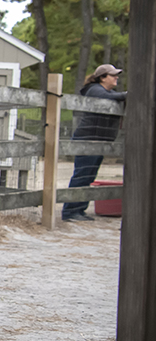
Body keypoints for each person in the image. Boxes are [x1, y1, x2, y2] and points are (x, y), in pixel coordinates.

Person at [63, 63, 127, 222]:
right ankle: (70, 212)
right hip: (88, 139)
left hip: (95, 140)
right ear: (102, 78)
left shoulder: (104, 91)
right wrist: (129, 94)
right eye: (113, 75)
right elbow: (112, 97)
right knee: (82, 176)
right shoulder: (95, 90)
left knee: (88, 176)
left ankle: (78, 210)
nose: (116, 78)